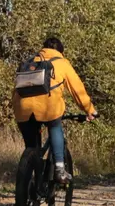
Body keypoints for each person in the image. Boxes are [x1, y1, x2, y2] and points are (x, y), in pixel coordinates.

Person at [11, 35, 96, 183]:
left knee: (32, 148)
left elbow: (15, 90)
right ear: (61, 51)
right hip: (49, 108)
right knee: (55, 126)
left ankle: (31, 180)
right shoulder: (62, 63)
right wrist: (89, 110)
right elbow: (78, 90)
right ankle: (59, 169)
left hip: (22, 109)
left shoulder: (30, 62)